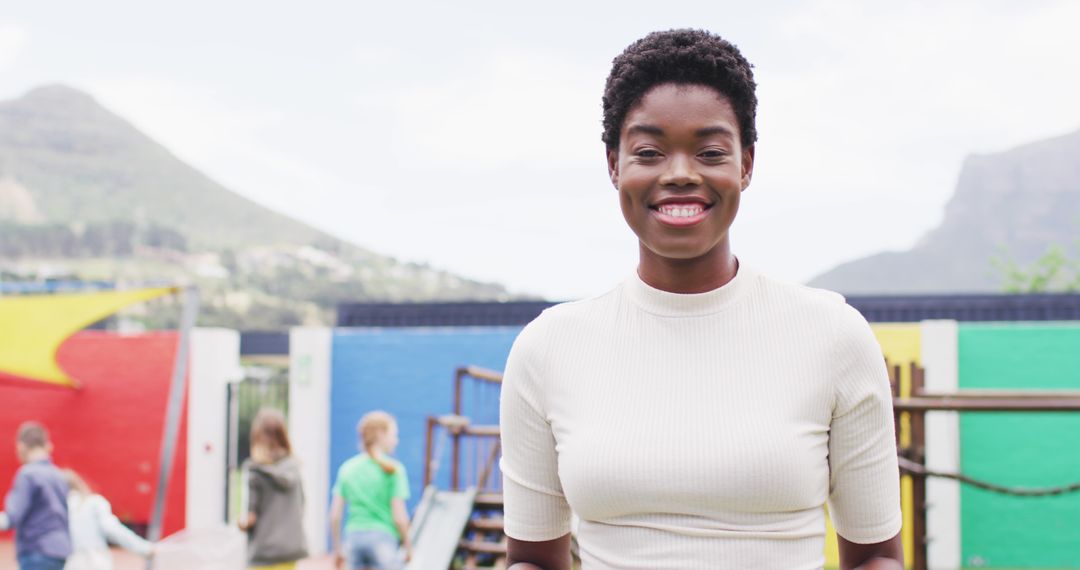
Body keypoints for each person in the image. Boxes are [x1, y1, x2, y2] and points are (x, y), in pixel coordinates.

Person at [499, 29, 903, 570]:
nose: (681, 174)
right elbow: (532, 562)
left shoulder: (832, 334)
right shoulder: (548, 347)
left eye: (710, 151)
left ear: (746, 164)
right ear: (615, 164)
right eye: (649, 151)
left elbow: (875, 556)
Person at [329, 411, 412, 570]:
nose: (396, 441)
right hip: (383, 538)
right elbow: (400, 517)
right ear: (381, 435)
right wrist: (408, 547)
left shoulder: (347, 468)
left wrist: (338, 549)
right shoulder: (394, 470)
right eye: (394, 435)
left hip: (353, 537)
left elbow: (335, 515)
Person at [237, 408, 308, 570]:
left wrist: (241, 523)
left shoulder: (255, 470)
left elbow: (250, 517)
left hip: (264, 554)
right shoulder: (294, 467)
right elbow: (302, 504)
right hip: (290, 549)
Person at [0, 422, 72, 570]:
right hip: (60, 552)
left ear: (21, 446)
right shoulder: (58, 475)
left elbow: (12, 516)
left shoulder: (27, 474)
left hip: (37, 550)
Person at [62, 469, 153, 570]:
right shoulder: (93, 502)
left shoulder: (55, 508)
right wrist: (144, 548)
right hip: (94, 561)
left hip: (67, 562)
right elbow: (112, 529)